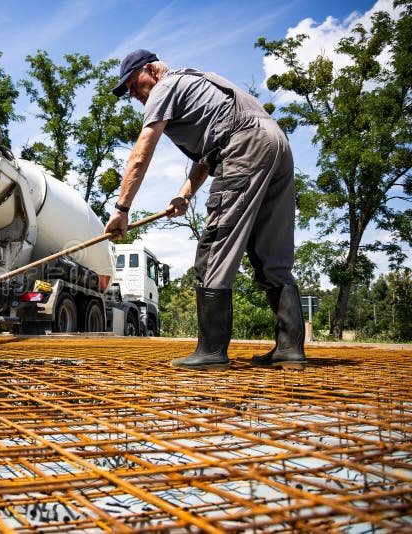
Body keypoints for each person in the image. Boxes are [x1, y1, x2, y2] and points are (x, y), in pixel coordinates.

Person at [105, 49, 306, 371]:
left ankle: (211, 351)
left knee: (215, 248)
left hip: (244, 147)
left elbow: (142, 152)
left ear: (152, 69)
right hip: (275, 144)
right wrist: (184, 194)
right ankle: (290, 349)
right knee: (271, 253)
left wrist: (122, 208)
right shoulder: (199, 83)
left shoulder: (164, 88)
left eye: (133, 83)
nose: (132, 94)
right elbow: (208, 156)